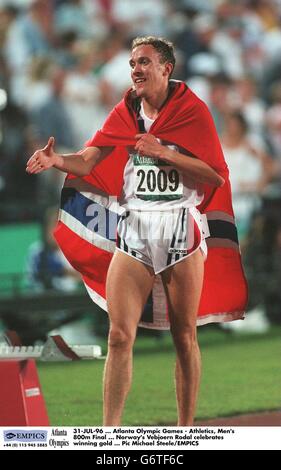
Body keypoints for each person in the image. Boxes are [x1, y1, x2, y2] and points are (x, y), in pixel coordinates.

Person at [26, 36, 247, 426]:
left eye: (144, 62)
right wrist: (56, 159)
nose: (136, 70)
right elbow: (89, 160)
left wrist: (165, 153)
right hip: (135, 226)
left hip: (181, 226)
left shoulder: (193, 111)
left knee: (183, 337)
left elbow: (214, 176)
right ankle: (110, 434)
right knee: (118, 336)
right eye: (132, 64)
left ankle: (184, 431)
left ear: (166, 68)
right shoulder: (125, 110)